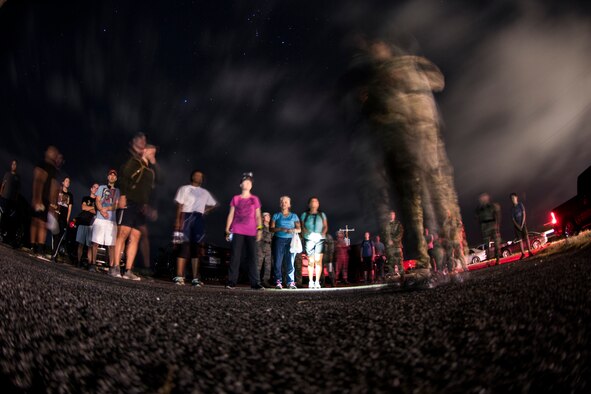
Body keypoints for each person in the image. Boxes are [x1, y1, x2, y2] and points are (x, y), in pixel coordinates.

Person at [115, 135, 158, 281]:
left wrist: (147, 206)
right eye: (151, 151)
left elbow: (149, 190)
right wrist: (122, 196)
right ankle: (114, 267)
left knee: (136, 236)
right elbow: (123, 177)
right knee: (123, 233)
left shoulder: (150, 172)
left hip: (140, 207)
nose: (153, 154)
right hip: (129, 201)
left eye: (154, 153)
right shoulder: (134, 161)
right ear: (144, 150)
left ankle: (128, 270)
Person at [172, 170, 217, 287]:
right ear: (192, 176)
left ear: (202, 179)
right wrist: (178, 220)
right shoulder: (184, 188)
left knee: (196, 249)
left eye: (201, 176)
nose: (198, 177)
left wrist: (205, 211)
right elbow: (180, 205)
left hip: (198, 218)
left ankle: (195, 278)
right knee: (183, 247)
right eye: (196, 175)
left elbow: (214, 204)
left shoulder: (205, 192)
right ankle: (179, 276)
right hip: (186, 216)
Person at [225, 172, 264, 290]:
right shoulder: (235, 198)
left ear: (251, 185)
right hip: (237, 229)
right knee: (235, 256)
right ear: (240, 185)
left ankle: (255, 283)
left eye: (249, 182)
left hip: (251, 230)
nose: (247, 184)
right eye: (244, 182)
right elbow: (231, 214)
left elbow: (258, 216)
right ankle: (231, 281)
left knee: (253, 257)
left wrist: (260, 229)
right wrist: (227, 229)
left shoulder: (254, 199)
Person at [30, 146, 59, 256]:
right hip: (39, 197)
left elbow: (53, 186)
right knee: (35, 221)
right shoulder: (42, 165)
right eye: (53, 152)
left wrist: (52, 204)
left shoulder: (53, 170)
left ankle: (40, 248)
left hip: (46, 199)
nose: (54, 154)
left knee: (42, 223)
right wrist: (37, 198)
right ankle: (33, 246)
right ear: (47, 153)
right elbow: (38, 180)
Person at [91, 170, 120, 277]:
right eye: (110, 175)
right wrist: (102, 211)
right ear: (108, 177)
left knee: (111, 245)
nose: (112, 176)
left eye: (114, 175)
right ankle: (93, 264)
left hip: (111, 220)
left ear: (116, 178)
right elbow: (97, 200)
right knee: (95, 242)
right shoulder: (102, 188)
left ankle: (111, 268)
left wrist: (106, 208)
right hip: (100, 218)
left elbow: (116, 205)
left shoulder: (117, 191)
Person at [270, 196, 301, 289]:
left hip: (291, 241)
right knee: (277, 262)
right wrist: (280, 229)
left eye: (286, 202)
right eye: (282, 202)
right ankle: (278, 281)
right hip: (278, 240)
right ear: (280, 204)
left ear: (289, 204)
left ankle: (290, 282)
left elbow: (299, 229)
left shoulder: (294, 216)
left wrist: (292, 230)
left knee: (290, 262)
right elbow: (271, 228)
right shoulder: (276, 215)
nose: (284, 203)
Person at [301, 197, 328, 289]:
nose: (314, 203)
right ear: (309, 204)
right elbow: (302, 225)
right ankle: (310, 281)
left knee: (318, 261)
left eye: (316, 201)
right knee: (310, 261)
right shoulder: (305, 214)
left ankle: (317, 281)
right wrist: (306, 232)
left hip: (319, 239)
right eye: (312, 201)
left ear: (318, 204)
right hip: (309, 239)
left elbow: (325, 226)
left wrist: (323, 233)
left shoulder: (322, 214)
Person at [476, 193, 501, 266]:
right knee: (487, 245)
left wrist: (497, 224)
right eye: (481, 199)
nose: (483, 200)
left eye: (484, 198)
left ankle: (498, 259)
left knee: (496, 243)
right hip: (485, 226)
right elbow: (477, 218)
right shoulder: (480, 209)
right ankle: (489, 260)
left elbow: (497, 214)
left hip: (492, 224)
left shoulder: (492, 206)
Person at [52, 177, 73, 259]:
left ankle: (54, 255)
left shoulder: (70, 195)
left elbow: (70, 208)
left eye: (69, 181)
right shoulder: (58, 191)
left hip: (64, 218)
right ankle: (54, 253)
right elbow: (53, 202)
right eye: (66, 181)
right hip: (56, 215)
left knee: (60, 236)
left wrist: (67, 219)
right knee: (54, 235)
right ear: (63, 182)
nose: (67, 182)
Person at [0, 160, 21, 244]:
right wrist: (1, 194)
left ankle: (4, 235)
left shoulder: (17, 178)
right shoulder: (7, 174)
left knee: (8, 217)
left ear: (17, 166)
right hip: (4, 198)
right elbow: (3, 185)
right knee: (2, 215)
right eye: (13, 164)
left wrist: (15, 199)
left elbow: (17, 190)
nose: (14, 165)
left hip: (11, 200)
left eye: (15, 164)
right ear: (11, 165)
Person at [78, 184, 98, 269]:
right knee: (81, 244)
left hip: (91, 225)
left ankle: (90, 264)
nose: (95, 189)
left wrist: (88, 207)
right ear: (91, 188)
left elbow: (95, 212)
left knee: (90, 246)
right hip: (82, 223)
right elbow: (83, 207)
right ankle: (79, 262)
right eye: (94, 187)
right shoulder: (85, 198)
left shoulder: (97, 201)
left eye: (97, 188)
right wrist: (91, 208)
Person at [510, 193, 533, 259]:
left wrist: (522, 224)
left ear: (516, 198)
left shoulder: (520, 204)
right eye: (511, 198)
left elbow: (524, 213)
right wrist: (518, 226)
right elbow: (513, 219)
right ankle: (523, 253)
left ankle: (529, 251)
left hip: (523, 224)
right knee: (520, 240)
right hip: (517, 227)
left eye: (513, 198)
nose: (513, 199)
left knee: (526, 238)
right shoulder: (512, 209)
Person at [384, 210, 404, 279]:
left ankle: (402, 278)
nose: (391, 216)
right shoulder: (387, 225)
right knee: (390, 263)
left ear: (394, 215)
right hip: (390, 248)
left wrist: (393, 240)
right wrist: (388, 242)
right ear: (389, 216)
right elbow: (385, 235)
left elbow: (400, 233)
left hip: (397, 246)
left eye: (393, 214)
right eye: (390, 214)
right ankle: (392, 279)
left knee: (399, 262)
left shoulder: (398, 224)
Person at [256, 212, 273, 287]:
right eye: (267, 215)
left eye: (269, 215)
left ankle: (265, 281)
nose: (269, 217)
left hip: (268, 246)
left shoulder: (271, 227)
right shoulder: (260, 226)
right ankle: (256, 281)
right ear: (263, 218)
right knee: (258, 264)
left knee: (268, 264)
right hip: (261, 245)